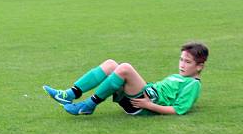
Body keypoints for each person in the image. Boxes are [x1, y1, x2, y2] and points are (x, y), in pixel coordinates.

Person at [43, 42, 208, 116]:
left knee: (125, 68)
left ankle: (88, 106)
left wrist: (149, 105)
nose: (182, 64)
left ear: (199, 66)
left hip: (144, 105)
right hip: (143, 97)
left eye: (187, 62)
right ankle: (69, 94)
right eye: (181, 60)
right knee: (110, 64)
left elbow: (178, 110)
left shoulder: (193, 84)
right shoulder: (179, 76)